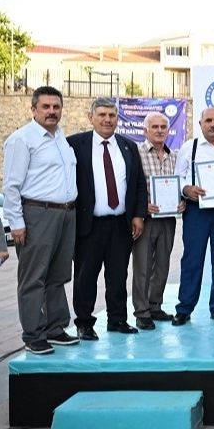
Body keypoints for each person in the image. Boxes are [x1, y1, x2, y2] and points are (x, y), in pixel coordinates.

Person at [3, 86, 78, 354]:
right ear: (33, 109)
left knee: (57, 275)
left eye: (56, 107)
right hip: (38, 214)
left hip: (66, 214)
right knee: (33, 277)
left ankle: (55, 328)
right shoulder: (22, 140)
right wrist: (16, 222)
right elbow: (11, 185)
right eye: (46, 107)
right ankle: (33, 334)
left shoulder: (61, 138)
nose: (51, 111)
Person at [67, 97, 148, 340]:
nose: (107, 119)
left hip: (121, 223)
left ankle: (117, 319)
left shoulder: (128, 146)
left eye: (112, 115)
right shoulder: (75, 144)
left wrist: (138, 215)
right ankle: (84, 323)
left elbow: (139, 183)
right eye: (102, 114)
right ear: (90, 117)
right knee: (85, 276)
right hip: (88, 224)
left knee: (118, 275)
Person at [172, 108, 214, 326]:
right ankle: (184, 308)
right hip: (197, 211)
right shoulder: (188, 148)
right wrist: (186, 189)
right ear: (200, 124)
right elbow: (178, 177)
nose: (213, 124)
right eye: (208, 120)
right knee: (192, 259)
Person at [131, 112, 186, 331]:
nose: (160, 130)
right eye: (155, 127)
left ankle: (155, 305)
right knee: (143, 266)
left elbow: (181, 183)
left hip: (168, 218)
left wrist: (182, 201)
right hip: (146, 218)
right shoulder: (137, 153)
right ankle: (142, 312)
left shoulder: (176, 156)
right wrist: (141, 206)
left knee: (163, 264)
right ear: (145, 131)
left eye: (163, 127)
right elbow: (130, 185)